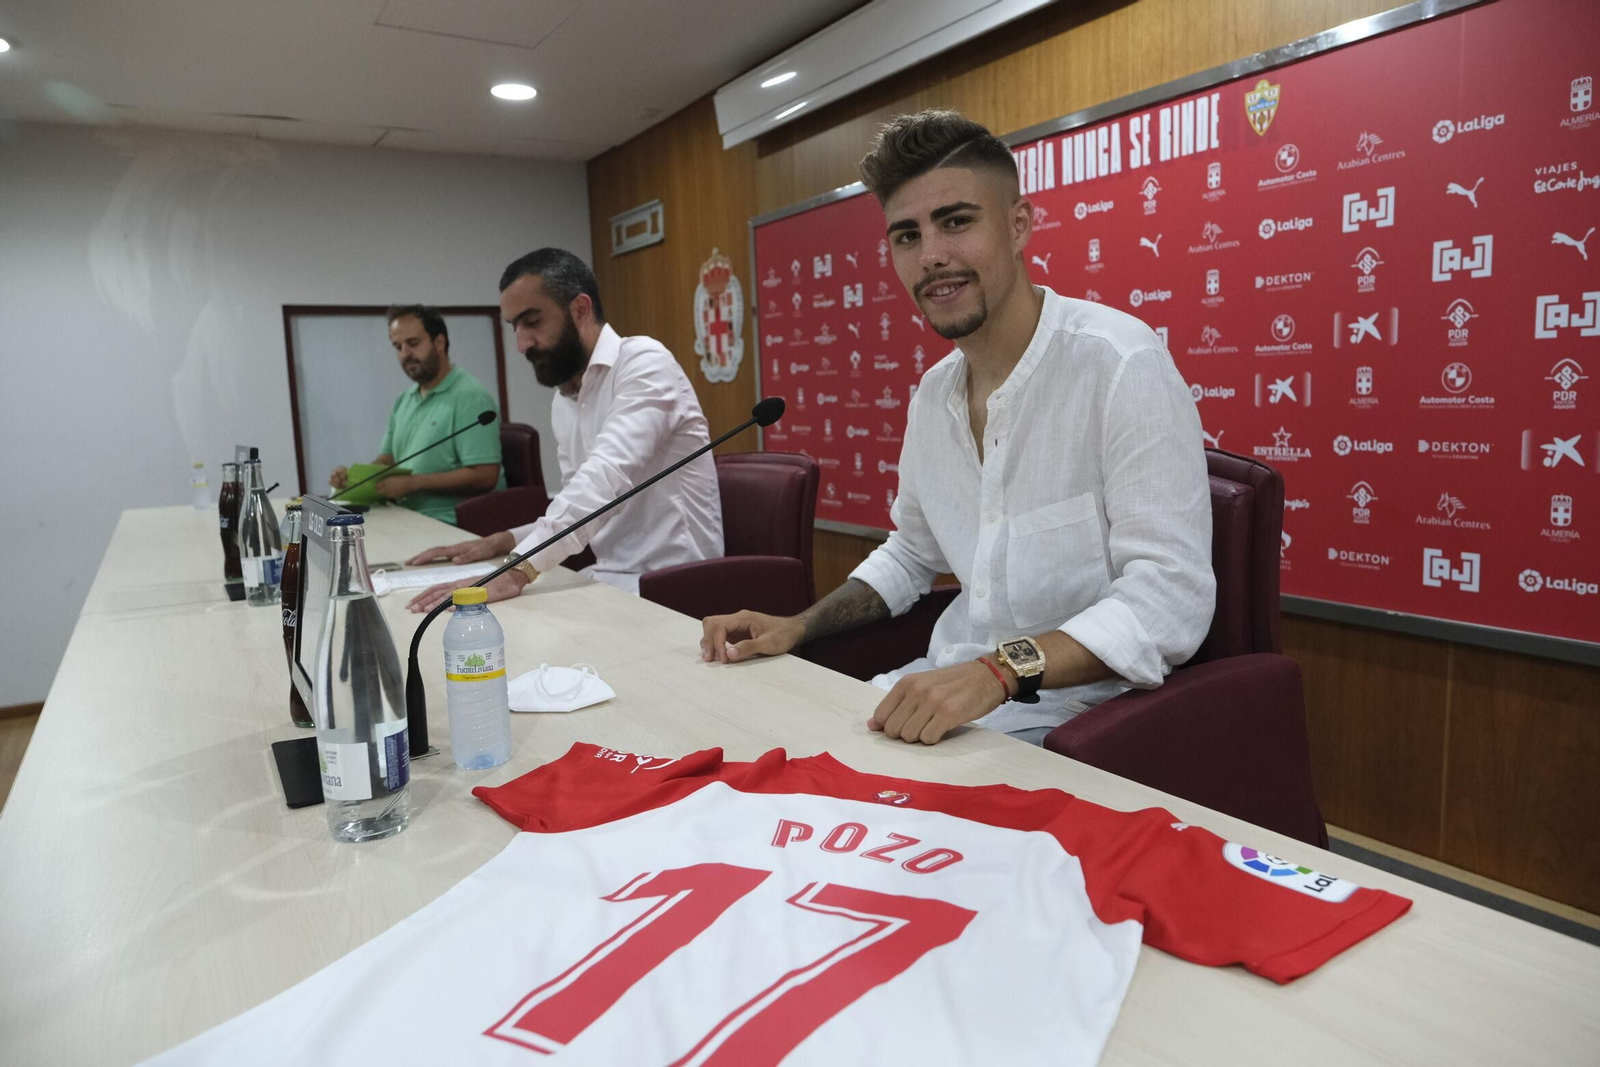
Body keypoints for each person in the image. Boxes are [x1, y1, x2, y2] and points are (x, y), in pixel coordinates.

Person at [700, 109, 1215, 747]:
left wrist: (1000, 670)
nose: (933, 257)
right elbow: (912, 555)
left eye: (957, 222)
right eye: (907, 236)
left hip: (1084, 728)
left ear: (1019, 224)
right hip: (950, 698)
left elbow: (1169, 599)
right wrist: (798, 627)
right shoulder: (933, 394)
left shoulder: (1118, 363)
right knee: (755, 755)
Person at [405, 248, 724, 611]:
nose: (521, 344)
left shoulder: (644, 364)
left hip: (676, 591)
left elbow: (604, 483)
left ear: (580, 309)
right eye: (515, 327)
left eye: (532, 322)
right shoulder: (565, 400)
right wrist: (501, 542)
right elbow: (575, 503)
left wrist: (514, 571)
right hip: (609, 582)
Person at [329, 305, 504, 525]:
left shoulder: (470, 396)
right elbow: (387, 459)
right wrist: (357, 479)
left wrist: (413, 483)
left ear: (439, 343)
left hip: (452, 523)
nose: (405, 354)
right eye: (398, 346)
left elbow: (485, 475)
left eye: (413, 343)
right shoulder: (405, 399)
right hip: (405, 516)